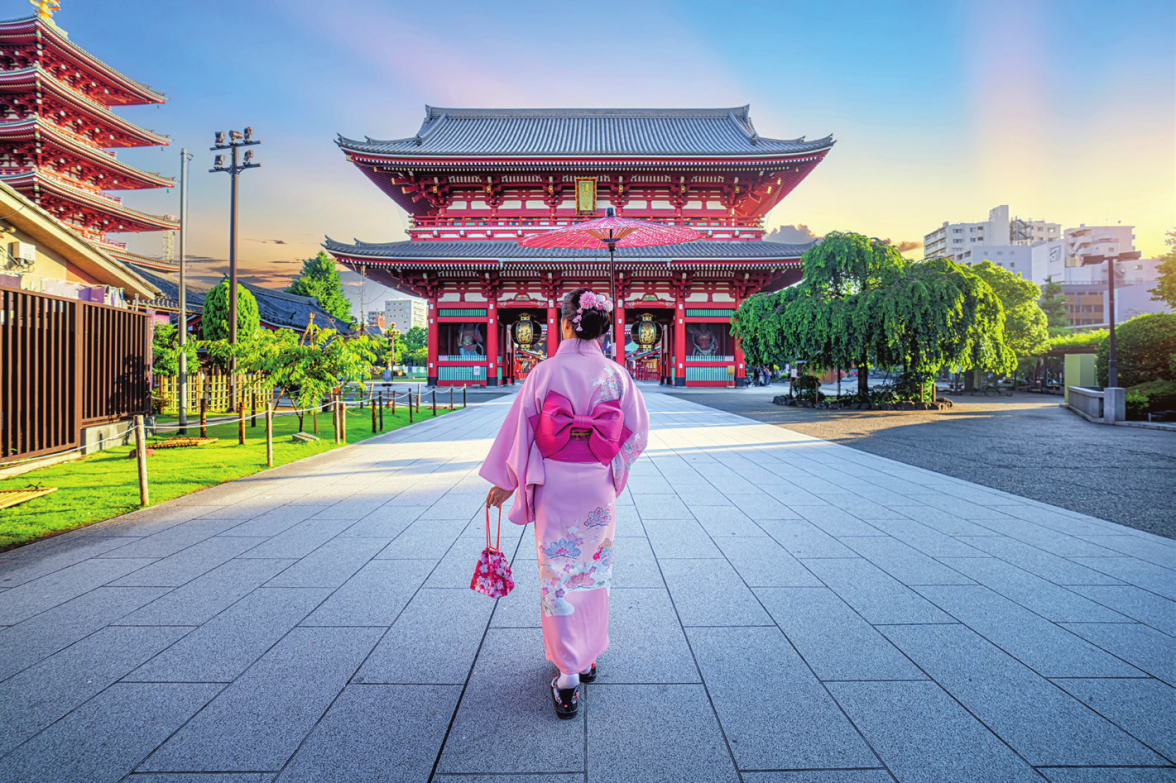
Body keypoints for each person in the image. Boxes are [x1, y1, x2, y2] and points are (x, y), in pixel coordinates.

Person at [480, 288, 649, 719]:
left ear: (568, 323)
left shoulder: (544, 373)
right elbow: (637, 435)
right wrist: (611, 467)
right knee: (593, 570)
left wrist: (509, 480)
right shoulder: (617, 375)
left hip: (554, 484)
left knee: (556, 572)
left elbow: (520, 431)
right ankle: (587, 656)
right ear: (604, 328)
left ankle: (568, 676)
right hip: (597, 487)